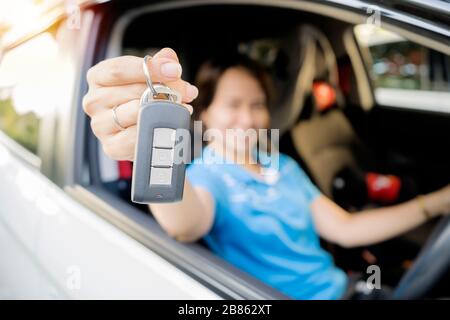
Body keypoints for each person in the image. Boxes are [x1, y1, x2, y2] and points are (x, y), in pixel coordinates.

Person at [82, 48, 450, 299]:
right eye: (233, 105)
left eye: (257, 105)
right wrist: (147, 149)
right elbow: (186, 225)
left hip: (348, 289)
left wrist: (433, 204)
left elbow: (346, 228)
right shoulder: (204, 175)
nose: (248, 118)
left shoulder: (281, 164)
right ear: (205, 112)